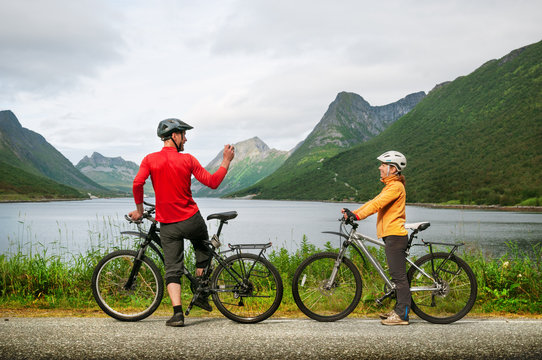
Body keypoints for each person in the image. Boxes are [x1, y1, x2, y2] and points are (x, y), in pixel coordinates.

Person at [129, 118, 235, 327]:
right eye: (183, 135)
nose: (185, 139)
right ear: (174, 136)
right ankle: (202, 291)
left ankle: (178, 314)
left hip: (168, 224)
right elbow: (213, 183)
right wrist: (226, 160)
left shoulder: (150, 159)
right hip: (192, 220)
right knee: (203, 250)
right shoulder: (188, 160)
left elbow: (137, 183)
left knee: (172, 269)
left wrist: (140, 211)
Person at [341, 150, 410, 326]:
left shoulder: (395, 187)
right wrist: (353, 213)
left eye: (383, 165)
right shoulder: (390, 186)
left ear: (393, 169)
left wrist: (356, 217)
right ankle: (398, 310)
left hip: (395, 236)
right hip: (391, 235)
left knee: (399, 277)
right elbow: (373, 202)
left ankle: (402, 315)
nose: (380, 167)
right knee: (397, 276)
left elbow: (377, 205)